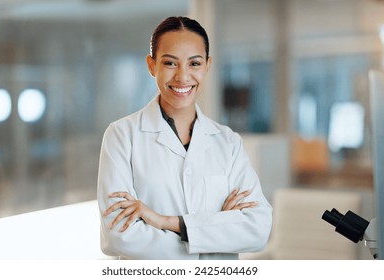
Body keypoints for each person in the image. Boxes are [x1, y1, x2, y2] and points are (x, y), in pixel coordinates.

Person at [97, 16, 273, 260]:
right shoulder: (122, 136)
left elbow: (257, 230)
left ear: (207, 66)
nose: (182, 76)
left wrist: (166, 222)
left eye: (194, 64)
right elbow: (119, 236)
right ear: (151, 65)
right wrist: (217, 229)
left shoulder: (228, 142)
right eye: (170, 63)